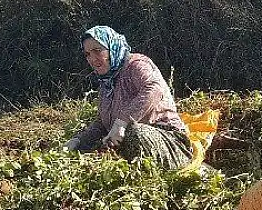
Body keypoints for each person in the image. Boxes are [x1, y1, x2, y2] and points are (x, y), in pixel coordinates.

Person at [64, 26, 192, 170]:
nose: (92, 59)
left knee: (135, 132)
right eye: (87, 54)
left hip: (170, 142)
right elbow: (101, 124)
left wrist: (121, 123)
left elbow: (154, 89)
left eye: (97, 51)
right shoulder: (107, 83)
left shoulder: (136, 65)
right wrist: (78, 141)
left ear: (112, 47)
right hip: (132, 149)